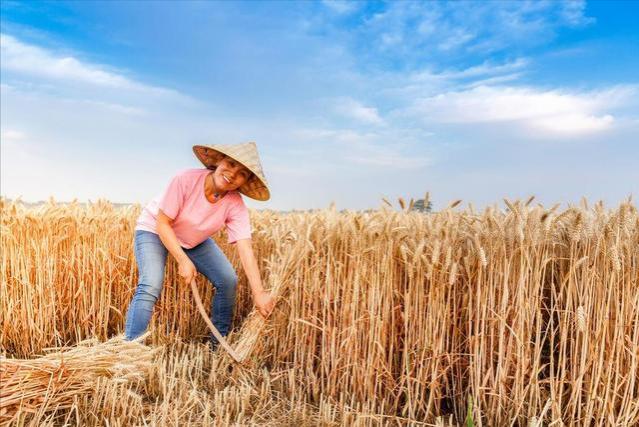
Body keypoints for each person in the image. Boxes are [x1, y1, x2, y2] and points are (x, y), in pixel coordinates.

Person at [124, 141, 275, 348]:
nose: (232, 173)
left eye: (241, 173)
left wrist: (259, 293)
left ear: (244, 182)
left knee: (227, 280)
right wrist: (183, 260)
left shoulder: (235, 204)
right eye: (230, 164)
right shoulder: (185, 179)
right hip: (155, 229)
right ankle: (131, 349)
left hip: (193, 240)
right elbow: (163, 223)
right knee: (150, 284)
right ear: (219, 161)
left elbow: (245, 247)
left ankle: (217, 346)